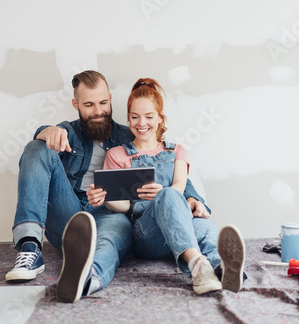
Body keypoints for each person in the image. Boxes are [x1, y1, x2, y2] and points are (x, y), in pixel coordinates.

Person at [5, 70, 211, 303]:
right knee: (36, 147)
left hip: (112, 213)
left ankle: (86, 279)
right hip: (70, 214)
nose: (98, 111)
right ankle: (30, 248)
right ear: (76, 104)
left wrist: (194, 198)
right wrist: (45, 131)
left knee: (108, 242)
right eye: (89, 104)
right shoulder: (68, 132)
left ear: (111, 99)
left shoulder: (131, 135)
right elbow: (43, 140)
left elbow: (168, 163)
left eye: (103, 102)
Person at [95, 78, 246, 294]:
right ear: (128, 118)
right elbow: (121, 206)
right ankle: (197, 266)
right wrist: (109, 198)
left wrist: (167, 196)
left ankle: (222, 268)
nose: (141, 123)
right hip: (147, 234)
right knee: (167, 195)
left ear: (159, 118)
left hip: (180, 226)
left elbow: (179, 186)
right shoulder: (117, 155)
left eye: (149, 116)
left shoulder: (176, 151)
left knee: (205, 227)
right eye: (135, 117)